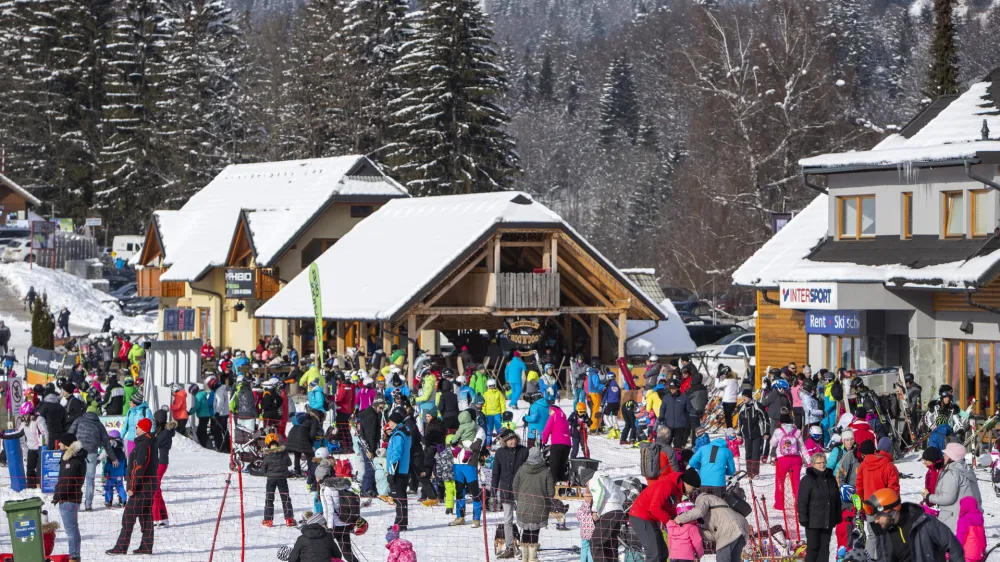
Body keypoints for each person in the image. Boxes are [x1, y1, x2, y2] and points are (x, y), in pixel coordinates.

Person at [867, 488, 965, 561]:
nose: (876, 521)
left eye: (878, 517)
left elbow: (952, 545)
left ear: (892, 512)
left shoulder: (924, 522)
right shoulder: (883, 532)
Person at [106, 417, 158, 556]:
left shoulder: (143, 445)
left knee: (129, 516)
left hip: (141, 487)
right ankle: (146, 546)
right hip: (150, 485)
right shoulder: (150, 443)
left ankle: (121, 547)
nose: (135, 429)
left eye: (138, 427)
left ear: (144, 429)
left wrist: (132, 487)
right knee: (146, 516)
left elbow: (138, 467)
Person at [672, 470, 749, 562]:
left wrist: (679, 519)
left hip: (728, 531)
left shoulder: (703, 498)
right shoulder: (711, 509)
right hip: (741, 530)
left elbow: (699, 511)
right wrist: (696, 530)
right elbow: (713, 535)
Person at [629, 469, 689, 562]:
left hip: (650, 518)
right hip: (640, 515)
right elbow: (655, 507)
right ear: (687, 484)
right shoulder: (667, 485)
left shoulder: (677, 490)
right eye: (693, 488)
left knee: (663, 552)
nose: (692, 492)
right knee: (654, 554)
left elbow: (670, 508)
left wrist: (675, 520)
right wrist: (668, 521)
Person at [926, 442, 981, 533]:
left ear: (952, 457)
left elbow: (948, 498)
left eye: (946, 454)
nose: (943, 456)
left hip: (953, 518)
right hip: (967, 516)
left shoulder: (952, 473)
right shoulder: (965, 470)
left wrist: (928, 496)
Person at [797, 452, 841, 562]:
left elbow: (837, 499)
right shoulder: (807, 480)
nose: (822, 465)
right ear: (812, 464)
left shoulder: (831, 479)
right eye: (819, 463)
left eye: (824, 462)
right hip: (813, 521)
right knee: (813, 548)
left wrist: (837, 516)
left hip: (827, 520)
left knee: (825, 548)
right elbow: (802, 501)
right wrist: (803, 518)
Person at [67, 408, 113, 512]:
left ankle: (76, 504)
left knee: (76, 478)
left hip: (77, 451)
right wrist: (113, 457)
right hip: (91, 452)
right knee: (90, 479)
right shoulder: (99, 424)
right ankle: (88, 504)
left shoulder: (78, 420)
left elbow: (70, 435)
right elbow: (106, 442)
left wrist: (69, 450)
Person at [513, 447, 554, 562]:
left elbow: (515, 487)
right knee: (535, 531)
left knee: (526, 530)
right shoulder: (546, 471)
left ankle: (525, 557)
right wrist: (548, 502)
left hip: (524, 505)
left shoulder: (521, 469)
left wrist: (519, 499)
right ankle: (532, 557)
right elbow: (551, 492)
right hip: (540, 507)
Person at [493, 429, 529, 558]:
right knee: (507, 520)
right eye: (509, 440)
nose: (512, 441)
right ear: (504, 441)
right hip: (506, 489)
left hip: (522, 490)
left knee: (524, 519)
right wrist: (494, 489)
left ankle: (526, 545)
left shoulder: (524, 451)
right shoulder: (500, 453)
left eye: (514, 438)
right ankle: (510, 547)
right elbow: (496, 472)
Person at [52, 432, 87, 562]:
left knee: (71, 530)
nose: (59, 444)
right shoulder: (71, 458)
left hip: (68, 499)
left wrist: (57, 496)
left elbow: (67, 481)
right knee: (72, 529)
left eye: (61, 442)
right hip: (71, 498)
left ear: (67, 444)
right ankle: (75, 555)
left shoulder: (71, 460)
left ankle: (74, 556)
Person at [588, 471, 627, 562]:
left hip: (609, 513)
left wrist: (595, 511)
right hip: (619, 513)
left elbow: (600, 492)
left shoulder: (593, 480)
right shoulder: (609, 480)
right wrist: (617, 506)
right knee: (610, 544)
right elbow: (622, 496)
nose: (588, 488)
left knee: (596, 542)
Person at [321, 476, 360, 562]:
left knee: (325, 551)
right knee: (347, 553)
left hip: (334, 526)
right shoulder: (346, 488)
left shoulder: (327, 489)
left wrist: (329, 527)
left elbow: (329, 510)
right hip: (346, 523)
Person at [261, 433, 295, 527]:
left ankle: (268, 520)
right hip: (282, 479)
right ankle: (289, 519)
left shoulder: (267, 455)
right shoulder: (283, 453)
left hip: (271, 479)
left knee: (269, 499)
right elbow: (289, 463)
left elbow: (263, 469)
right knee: (285, 498)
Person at [386, 411, 412, 530]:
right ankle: (402, 523)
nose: (388, 423)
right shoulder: (404, 432)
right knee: (401, 497)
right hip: (404, 469)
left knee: (399, 498)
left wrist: (391, 472)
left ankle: (400, 524)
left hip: (397, 470)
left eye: (390, 421)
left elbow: (396, 454)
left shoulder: (398, 435)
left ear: (395, 422)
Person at [689, 430, 735, 496]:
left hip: (703, 483)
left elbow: (691, 462)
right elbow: (732, 471)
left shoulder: (703, 449)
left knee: (704, 504)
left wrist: (701, 467)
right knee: (718, 505)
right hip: (719, 484)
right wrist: (723, 471)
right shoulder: (727, 451)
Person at [151, 409, 175, 527]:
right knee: (156, 489)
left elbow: (155, 443)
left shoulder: (165, 432)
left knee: (155, 488)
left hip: (161, 463)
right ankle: (161, 517)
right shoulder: (161, 431)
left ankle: (158, 517)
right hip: (158, 462)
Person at [358, 399, 386, 497]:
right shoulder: (372, 417)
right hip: (369, 445)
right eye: (380, 408)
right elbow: (371, 434)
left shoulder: (367, 414)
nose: (381, 410)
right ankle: (365, 489)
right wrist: (370, 450)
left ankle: (372, 488)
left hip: (366, 444)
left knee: (371, 466)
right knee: (370, 468)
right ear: (375, 405)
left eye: (383, 408)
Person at [736, 389, 767, 478]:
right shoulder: (742, 408)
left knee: (755, 453)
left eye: (745, 396)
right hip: (747, 435)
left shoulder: (758, 406)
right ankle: (749, 473)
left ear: (749, 396)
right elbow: (739, 422)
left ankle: (755, 472)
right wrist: (739, 433)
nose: (743, 398)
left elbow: (765, 419)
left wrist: (766, 432)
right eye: (743, 396)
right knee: (748, 453)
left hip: (757, 434)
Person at [658, 379, 693, 449]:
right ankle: (666, 458)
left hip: (680, 425)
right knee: (666, 445)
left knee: (678, 446)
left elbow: (689, 409)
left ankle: (677, 458)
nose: (672, 390)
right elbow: (662, 408)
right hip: (668, 425)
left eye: (673, 388)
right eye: (670, 388)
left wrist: (696, 412)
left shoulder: (684, 397)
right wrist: (661, 416)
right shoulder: (666, 398)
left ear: (678, 388)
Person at [541, 401, 571, 482]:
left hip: (557, 443)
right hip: (567, 444)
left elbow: (547, 430)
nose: (549, 413)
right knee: (562, 465)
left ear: (554, 410)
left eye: (550, 411)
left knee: (554, 465)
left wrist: (544, 441)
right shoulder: (564, 418)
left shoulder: (554, 416)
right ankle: (561, 485)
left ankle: (552, 485)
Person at [20, 402, 47, 488]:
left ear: (31, 413)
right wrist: (4, 435)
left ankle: (39, 486)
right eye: (23, 415)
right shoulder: (25, 422)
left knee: (39, 469)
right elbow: (18, 432)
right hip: (31, 448)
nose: (25, 416)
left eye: (26, 414)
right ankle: (31, 486)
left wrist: (43, 446)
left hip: (39, 448)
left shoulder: (39, 420)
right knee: (30, 469)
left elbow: (44, 433)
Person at [957, 496, 986, 562]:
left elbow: (960, 537)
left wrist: (954, 548)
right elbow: (983, 536)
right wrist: (983, 549)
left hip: (967, 553)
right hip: (979, 553)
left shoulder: (964, 520)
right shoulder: (980, 519)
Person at [103, 430, 128, 508]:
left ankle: (108, 501)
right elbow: (125, 465)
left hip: (111, 475)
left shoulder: (112, 454)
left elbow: (108, 464)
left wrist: (105, 472)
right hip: (119, 475)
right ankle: (123, 501)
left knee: (109, 487)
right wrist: (125, 474)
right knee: (120, 486)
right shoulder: (123, 454)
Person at [482, 379, 506, 446]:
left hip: (497, 413)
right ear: (488, 386)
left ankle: (502, 442)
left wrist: (503, 411)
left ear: (495, 385)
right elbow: (484, 404)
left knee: (499, 428)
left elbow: (502, 402)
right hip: (489, 414)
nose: (491, 387)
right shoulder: (485, 394)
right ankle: (488, 443)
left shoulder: (498, 393)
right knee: (489, 428)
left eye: (493, 386)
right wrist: (483, 412)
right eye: (490, 386)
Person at [578, 488, 595, 562]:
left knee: (584, 547)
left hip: (584, 532)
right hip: (593, 532)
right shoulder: (594, 507)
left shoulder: (581, 508)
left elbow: (578, 517)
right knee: (592, 548)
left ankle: (583, 560)